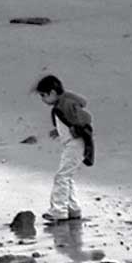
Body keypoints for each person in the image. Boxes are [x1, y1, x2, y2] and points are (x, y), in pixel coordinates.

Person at [34, 75, 94, 223]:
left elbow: (84, 118)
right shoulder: (63, 104)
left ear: (53, 93)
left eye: (43, 95)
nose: (42, 99)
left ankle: (58, 211)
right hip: (72, 144)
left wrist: (76, 130)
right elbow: (69, 120)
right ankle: (73, 209)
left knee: (61, 177)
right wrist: (60, 131)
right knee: (67, 176)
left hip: (75, 144)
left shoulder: (64, 104)